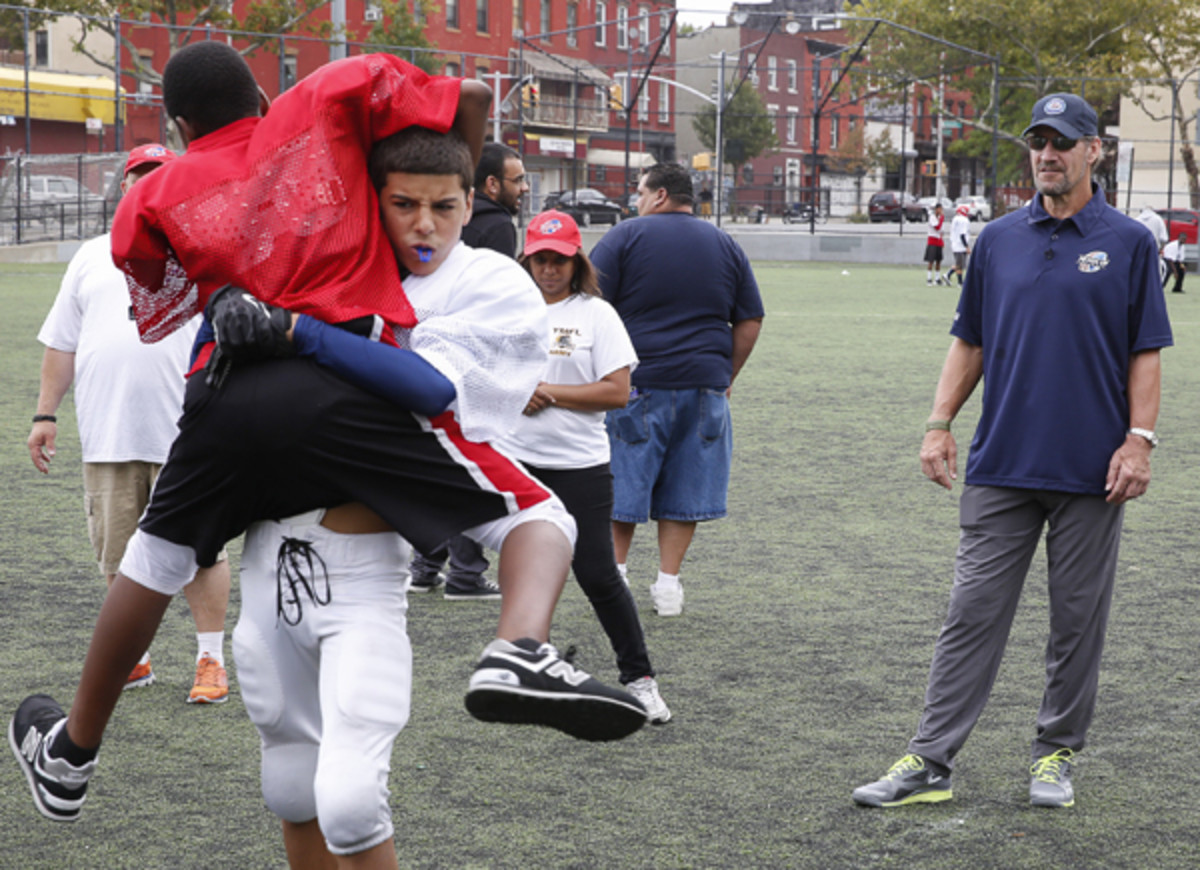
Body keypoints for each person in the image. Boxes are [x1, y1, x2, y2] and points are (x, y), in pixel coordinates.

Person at [9, 45, 644, 827]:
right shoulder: (327, 106)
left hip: (222, 392)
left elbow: (161, 313)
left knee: (153, 559)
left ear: (177, 125)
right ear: (261, 92)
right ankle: (519, 646)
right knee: (538, 512)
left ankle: (73, 752)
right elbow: (470, 92)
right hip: (339, 380)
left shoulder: (153, 194)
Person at [852, 93, 1172, 811]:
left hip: (1094, 471)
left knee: (1076, 620)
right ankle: (930, 760)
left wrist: (1138, 442)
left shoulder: (1127, 242)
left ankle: (1056, 753)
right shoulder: (996, 239)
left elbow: (1145, 353)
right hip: (1001, 466)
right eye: (1037, 142)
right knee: (971, 612)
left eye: (1062, 143)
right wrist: (938, 423)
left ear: (1096, 151)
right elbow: (970, 341)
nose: (1047, 155)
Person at [26, 144, 231, 705]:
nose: (147, 185)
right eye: (138, 176)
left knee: (202, 550)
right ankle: (135, 658)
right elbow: (62, 343)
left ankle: (210, 657)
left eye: (160, 177)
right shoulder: (92, 256)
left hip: (188, 434)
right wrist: (46, 413)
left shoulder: (203, 251)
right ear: (124, 185)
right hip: (108, 431)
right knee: (117, 554)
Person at [503, 209, 670, 722]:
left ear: (577, 263)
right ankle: (530, 672)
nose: (549, 269)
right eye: (540, 259)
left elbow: (617, 392)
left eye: (560, 259)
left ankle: (640, 679)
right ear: (526, 259)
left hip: (579, 466)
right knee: (524, 573)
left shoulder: (597, 315)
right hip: (516, 462)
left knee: (597, 574)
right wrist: (515, 392)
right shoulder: (507, 309)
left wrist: (548, 393)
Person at [591, 163, 763, 617]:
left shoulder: (625, 237)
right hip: (705, 383)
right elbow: (750, 319)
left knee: (623, 482)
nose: (635, 200)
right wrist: (726, 375)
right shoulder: (726, 244)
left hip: (640, 381)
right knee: (687, 489)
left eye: (641, 192)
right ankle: (669, 587)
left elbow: (588, 301)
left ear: (661, 194)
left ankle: (618, 578)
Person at [409, 141, 530, 600]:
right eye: (517, 179)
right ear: (492, 183)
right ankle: (465, 573)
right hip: (468, 359)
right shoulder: (498, 227)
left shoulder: (444, 224)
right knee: (469, 460)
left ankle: (425, 565)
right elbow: (494, 306)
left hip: (426, 351)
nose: (523, 188)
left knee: (439, 458)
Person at [946, 202, 971, 287]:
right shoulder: (964, 220)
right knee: (959, 265)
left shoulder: (955, 219)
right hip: (960, 245)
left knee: (959, 264)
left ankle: (950, 276)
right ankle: (957, 281)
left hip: (955, 244)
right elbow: (962, 234)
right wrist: (966, 246)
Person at [924, 201, 946, 285]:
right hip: (932, 241)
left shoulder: (940, 218)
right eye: (940, 209)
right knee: (931, 261)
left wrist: (942, 241)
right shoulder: (932, 217)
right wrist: (942, 218)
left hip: (938, 241)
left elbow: (941, 231)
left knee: (938, 260)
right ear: (936, 209)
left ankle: (937, 279)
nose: (941, 211)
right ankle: (929, 279)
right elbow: (937, 227)